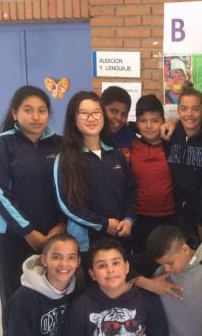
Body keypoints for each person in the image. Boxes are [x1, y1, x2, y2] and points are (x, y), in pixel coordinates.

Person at [0, 85, 66, 331]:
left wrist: (60, 225)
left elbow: (71, 189)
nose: (36, 116)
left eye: (42, 110)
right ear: (14, 113)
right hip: (13, 235)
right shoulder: (1, 145)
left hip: (55, 235)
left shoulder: (59, 144)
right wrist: (29, 232)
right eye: (28, 110)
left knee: (52, 294)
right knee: (15, 295)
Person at [54, 91, 137, 254]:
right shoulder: (65, 159)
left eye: (96, 113)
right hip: (86, 245)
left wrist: (128, 219)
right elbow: (67, 205)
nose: (91, 118)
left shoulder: (116, 154)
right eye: (84, 114)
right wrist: (104, 224)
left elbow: (130, 191)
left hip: (119, 241)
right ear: (74, 118)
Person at [166, 86, 202, 252]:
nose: (189, 114)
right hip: (177, 216)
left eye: (195, 109)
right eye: (184, 109)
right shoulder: (170, 135)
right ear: (178, 111)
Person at [129, 94, 177, 254]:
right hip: (139, 217)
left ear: (163, 121)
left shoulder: (173, 144)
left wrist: (175, 122)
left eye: (155, 121)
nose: (148, 126)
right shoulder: (131, 144)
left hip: (170, 217)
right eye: (143, 121)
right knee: (143, 261)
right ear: (136, 123)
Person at [101, 85, 133, 156]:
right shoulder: (91, 136)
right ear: (101, 109)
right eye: (113, 111)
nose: (119, 118)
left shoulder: (129, 136)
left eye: (124, 114)